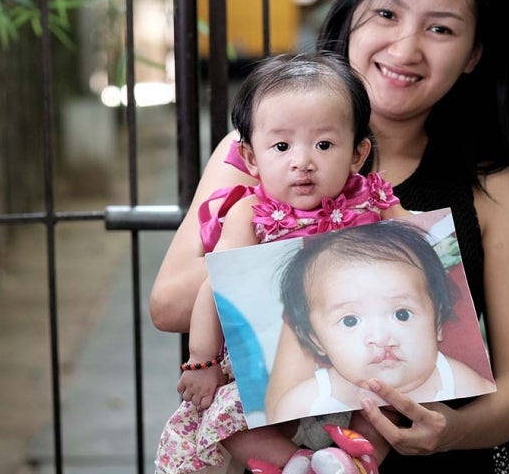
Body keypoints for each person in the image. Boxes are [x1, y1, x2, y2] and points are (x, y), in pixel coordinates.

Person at [151, 0, 509, 473]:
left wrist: (451, 432)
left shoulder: (490, 187)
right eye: (386, 13)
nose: (405, 48)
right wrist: (306, 238)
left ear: (475, 53)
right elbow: (169, 306)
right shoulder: (260, 153)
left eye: (441, 29)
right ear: (351, 15)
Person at [154, 53, 403, 474]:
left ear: (358, 153)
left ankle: (355, 462)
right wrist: (202, 362)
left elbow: (421, 251)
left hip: (359, 353)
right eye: (282, 146)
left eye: (324, 145)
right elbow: (216, 285)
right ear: (251, 159)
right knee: (225, 422)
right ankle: (296, 463)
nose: (301, 161)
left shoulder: (374, 200)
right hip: (272, 364)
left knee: (394, 404)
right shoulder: (249, 214)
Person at [271, 220, 496, 424]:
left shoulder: (458, 380)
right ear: (316, 339)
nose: (381, 338)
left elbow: (492, 419)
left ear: (437, 322)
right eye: (350, 320)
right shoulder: (306, 400)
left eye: (402, 314)